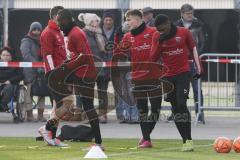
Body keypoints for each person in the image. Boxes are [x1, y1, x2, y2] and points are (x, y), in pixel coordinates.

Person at [150, 14, 202, 152]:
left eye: (162, 29)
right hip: (167, 76)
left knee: (181, 104)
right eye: (158, 30)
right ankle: (185, 140)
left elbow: (193, 49)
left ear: (168, 23)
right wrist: (160, 43)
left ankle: (189, 138)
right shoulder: (157, 36)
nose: (161, 32)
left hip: (183, 74)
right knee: (175, 108)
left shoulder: (183, 32)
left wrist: (199, 67)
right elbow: (153, 57)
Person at [57, 9, 103, 149]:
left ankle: (99, 142)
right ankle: (98, 141)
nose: (58, 24)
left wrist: (67, 66)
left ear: (66, 20)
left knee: (88, 107)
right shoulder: (73, 32)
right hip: (81, 73)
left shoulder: (75, 33)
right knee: (87, 107)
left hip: (85, 74)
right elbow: (77, 55)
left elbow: (84, 56)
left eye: (60, 21)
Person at [117, 9, 162, 148]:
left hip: (155, 77)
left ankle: (145, 135)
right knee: (142, 109)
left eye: (129, 20)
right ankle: (147, 139)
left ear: (138, 19)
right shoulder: (127, 37)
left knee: (156, 109)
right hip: (138, 78)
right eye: (126, 20)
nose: (127, 23)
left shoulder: (154, 32)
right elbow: (118, 53)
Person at [38, 6, 69, 147]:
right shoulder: (48, 33)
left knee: (59, 106)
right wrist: (53, 73)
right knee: (63, 105)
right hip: (54, 74)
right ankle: (46, 129)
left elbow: (61, 54)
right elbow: (48, 55)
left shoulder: (59, 32)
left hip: (62, 73)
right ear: (57, 16)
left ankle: (51, 136)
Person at [174, 3, 206, 123]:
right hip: (180, 63)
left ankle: (200, 113)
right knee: (181, 89)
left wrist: (196, 54)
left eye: (192, 13)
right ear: (182, 14)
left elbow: (203, 42)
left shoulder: (199, 24)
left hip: (194, 62)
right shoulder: (175, 25)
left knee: (197, 89)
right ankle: (180, 114)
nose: (190, 15)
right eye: (188, 13)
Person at [78, 13, 109, 123]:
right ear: (89, 22)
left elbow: (107, 50)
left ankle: (103, 115)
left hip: (102, 69)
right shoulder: (82, 34)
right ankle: (87, 115)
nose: (98, 22)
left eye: (97, 20)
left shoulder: (101, 33)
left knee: (103, 92)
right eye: (95, 21)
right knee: (87, 93)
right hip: (88, 69)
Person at [20, 21, 47, 122]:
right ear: (30, 30)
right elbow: (26, 55)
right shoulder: (26, 40)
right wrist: (37, 65)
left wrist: (42, 66)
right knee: (29, 93)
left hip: (41, 70)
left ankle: (40, 115)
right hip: (29, 71)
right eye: (34, 29)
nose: (36, 31)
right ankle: (30, 115)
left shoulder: (43, 40)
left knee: (42, 92)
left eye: (38, 29)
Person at [0, 47, 23, 122]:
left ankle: (2, 104)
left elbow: (20, 76)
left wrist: (10, 81)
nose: (5, 57)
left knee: (9, 88)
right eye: (3, 55)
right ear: (0, 56)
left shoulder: (16, 64)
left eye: (7, 55)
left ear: (11, 56)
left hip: (11, 84)